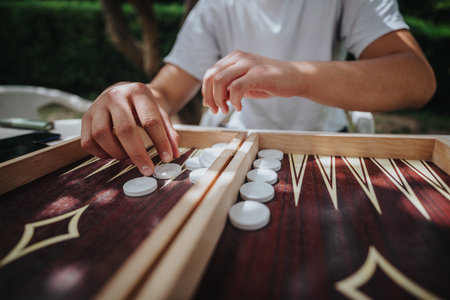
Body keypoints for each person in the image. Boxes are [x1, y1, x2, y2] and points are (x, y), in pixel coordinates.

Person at [81, 0, 436, 176]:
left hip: (324, 150)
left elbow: (417, 79)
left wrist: (297, 75)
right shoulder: (214, 6)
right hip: (233, 148)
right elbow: (165, 93)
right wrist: (132, 96)